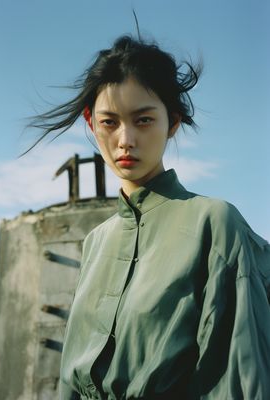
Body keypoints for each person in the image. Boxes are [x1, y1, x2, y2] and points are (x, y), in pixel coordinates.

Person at [29, 35, 270, 399]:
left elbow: (236, 379)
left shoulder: (215, 223)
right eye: (109, 122)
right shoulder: (96, 241)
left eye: (143, 120)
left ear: (172, 122)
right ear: (91, 123)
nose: (125, 139)